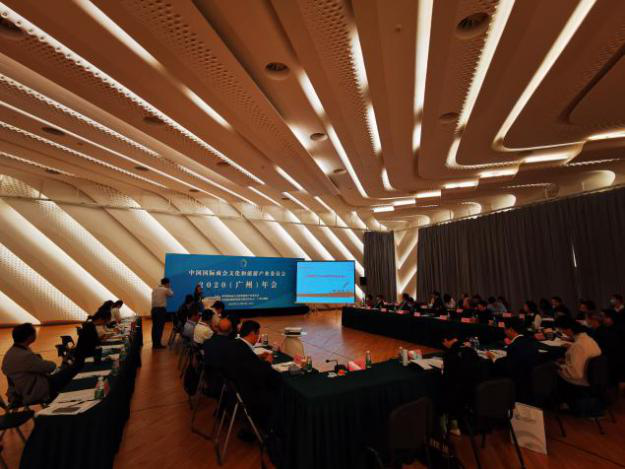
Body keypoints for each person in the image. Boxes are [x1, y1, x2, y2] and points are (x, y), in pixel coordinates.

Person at [222, 320, 282, 431]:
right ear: (252, 333)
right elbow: (259, 373)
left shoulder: (235, 344)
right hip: (250, 393)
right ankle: (271, 428)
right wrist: (267, 362)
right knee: (278, 387)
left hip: (236, 388)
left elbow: (246, 364)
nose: (258, 337)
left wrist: (258, 358)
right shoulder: (244, 351)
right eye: (258, 334)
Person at [2, 323, 81, 405]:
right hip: (34, 390)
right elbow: (50, 367)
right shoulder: (24, 356)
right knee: (73, 369)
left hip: (23, 390)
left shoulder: (10, 353)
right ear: (30, 337)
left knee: (64, 371)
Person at [440, 331, 483, 435]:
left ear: (445, 341)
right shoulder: (470, 349)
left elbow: (447, 377)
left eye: (444, 344)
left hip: (458, 394)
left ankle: (451, 425)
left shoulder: (449, 353)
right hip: (474, 391)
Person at [490, 318, 540, 403]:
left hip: (517, 387)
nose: (504, 332)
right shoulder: (530, 340)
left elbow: (508, 368)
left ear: (511, 330)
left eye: (505, 329)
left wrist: (493, 358)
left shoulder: (514, 346)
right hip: (530, 382)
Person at [556, 317, 601, 402]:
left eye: (563, 330)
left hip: (584, 379)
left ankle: (562, 402)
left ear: (569, 330)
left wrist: (559, 366)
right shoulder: (589, 339)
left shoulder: (578, 346)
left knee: (552, 370)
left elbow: (575, 374)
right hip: (594, 377)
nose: (563, 333)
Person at [587, 311, 620, 384]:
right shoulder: (603, 329)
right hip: (607, 356)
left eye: (605, 317)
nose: (603, 319)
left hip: (609, 358)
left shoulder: (604, 331)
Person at [151, 277, 173, 349]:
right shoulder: (165, 289)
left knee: (154, 327)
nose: (169, 284)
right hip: (160, 310)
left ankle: (154, 344)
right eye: (169, 283)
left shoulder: (155, 288)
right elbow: (171, 294)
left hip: (153, 310)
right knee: (159, 327)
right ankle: (158, 344)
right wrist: (168, 287)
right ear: (167, 283)